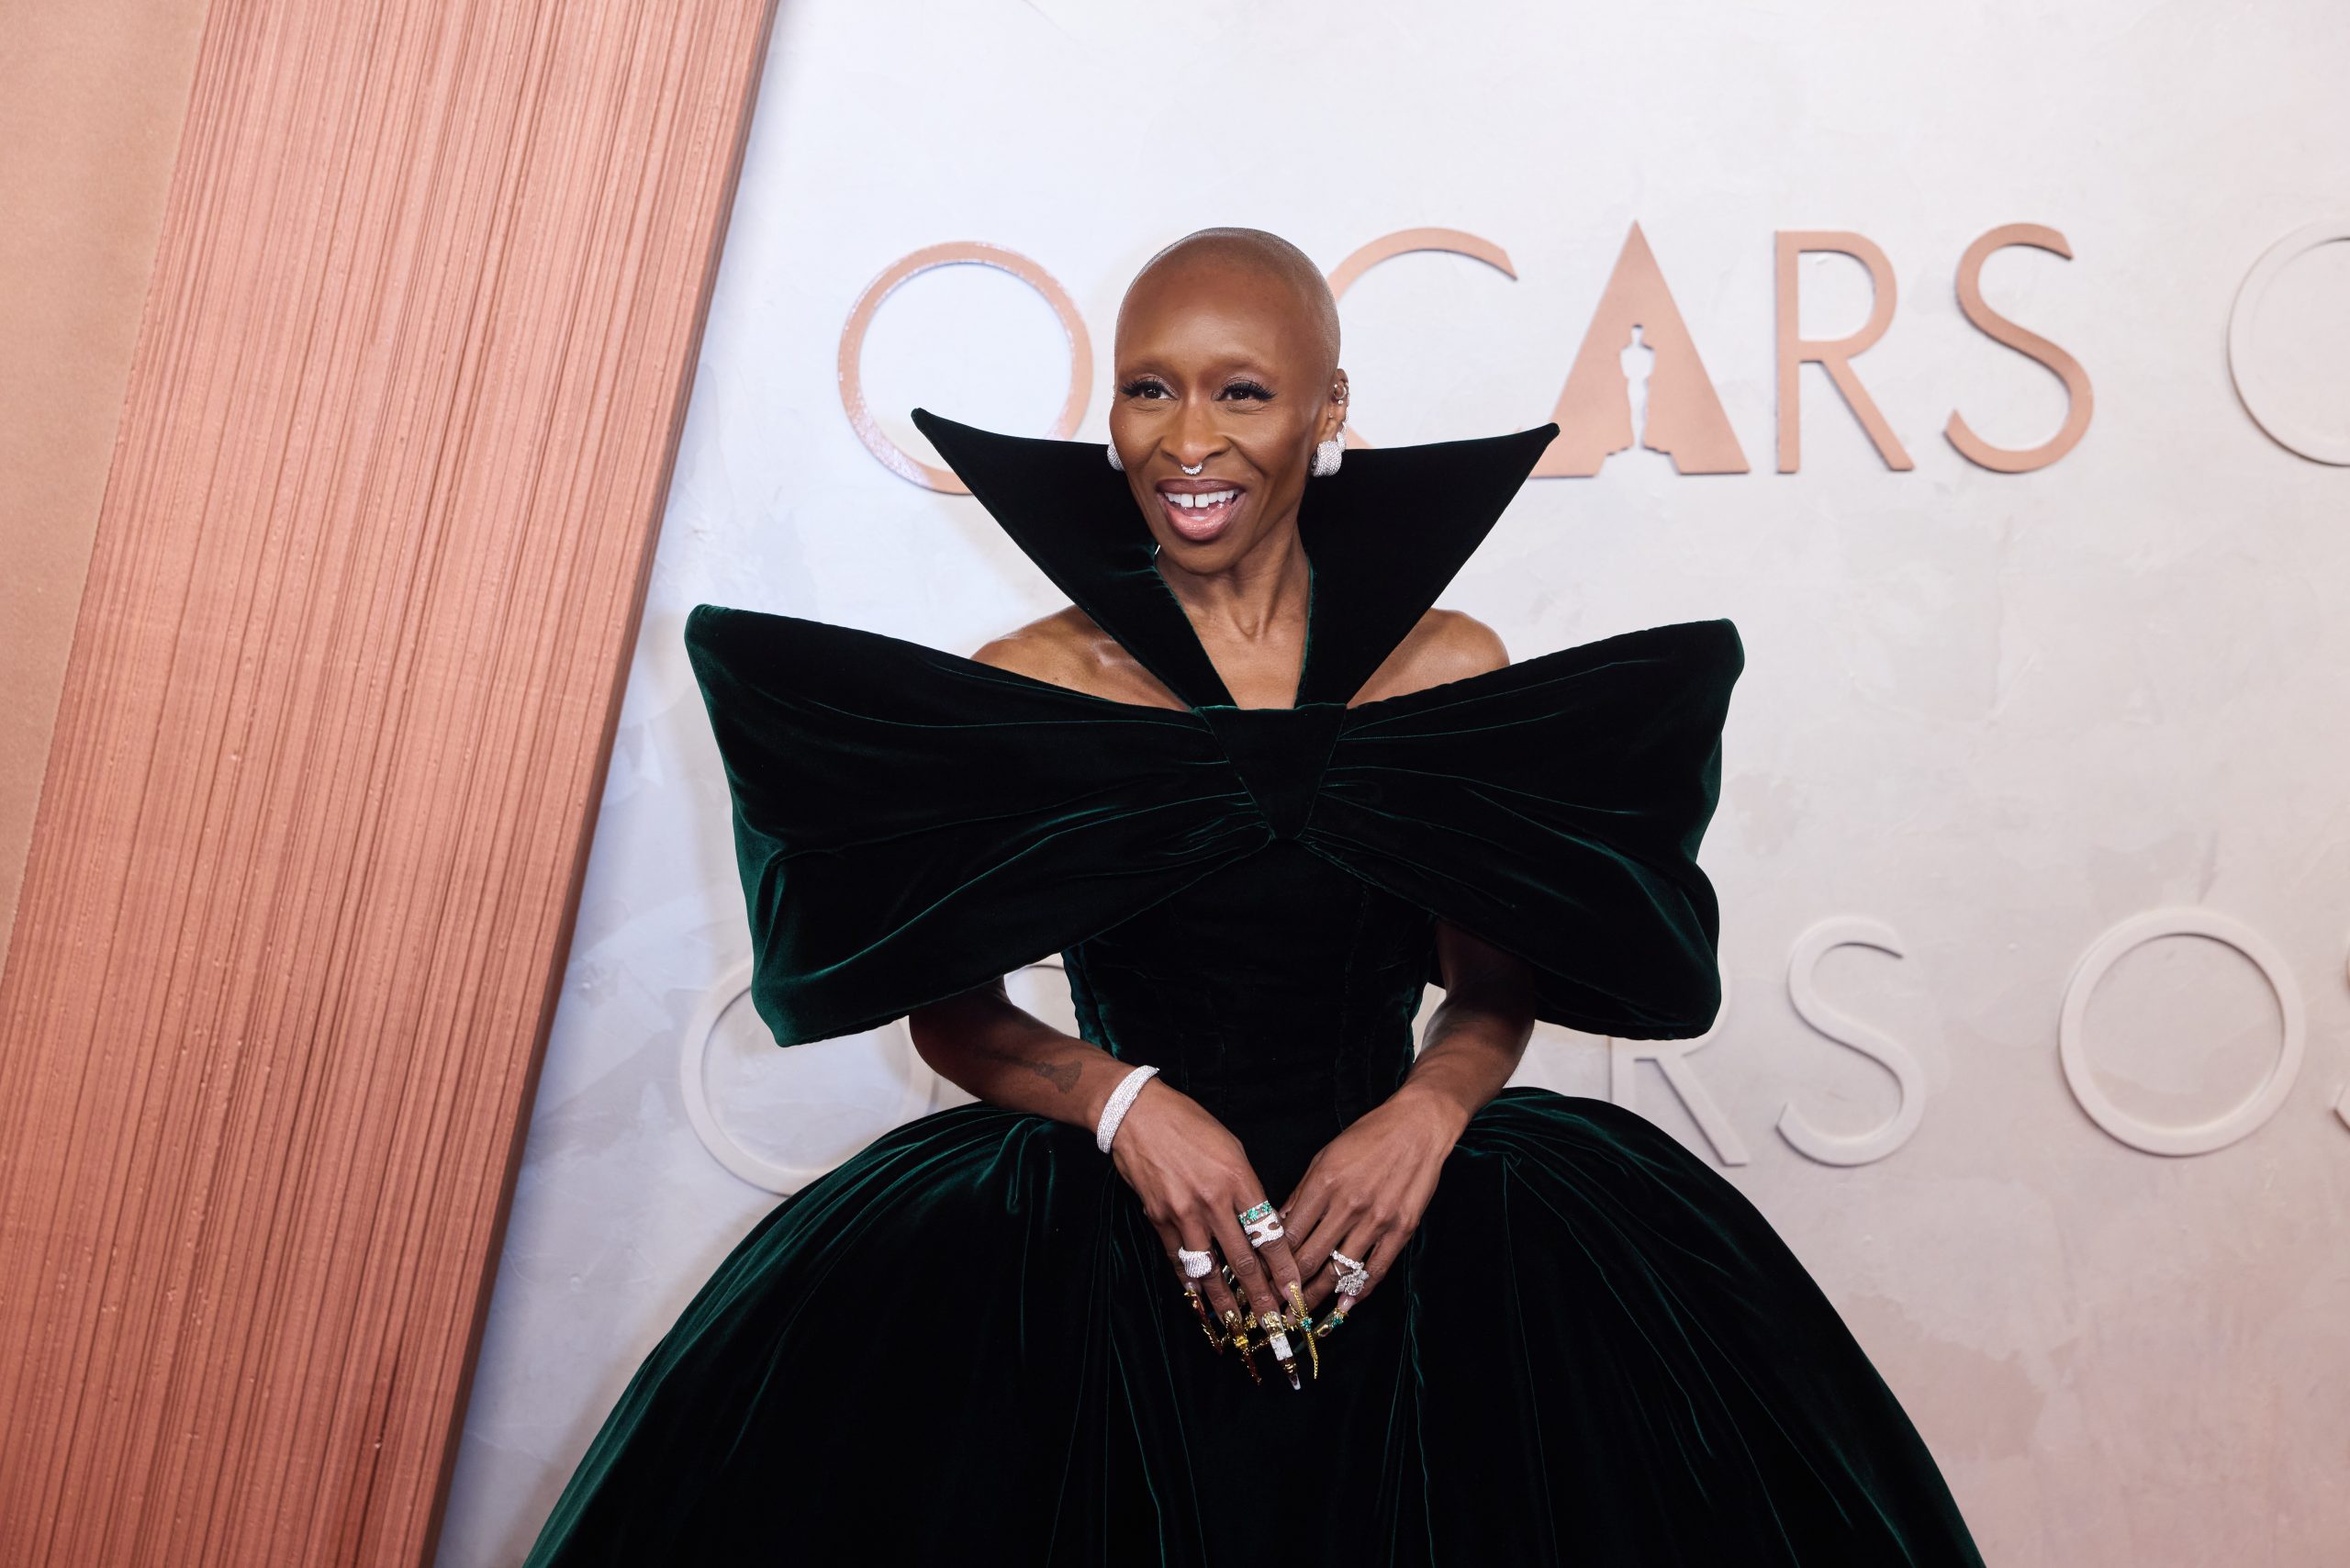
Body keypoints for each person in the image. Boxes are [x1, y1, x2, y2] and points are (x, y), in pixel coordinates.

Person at [521, 228, 1985, 1565]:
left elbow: (1489, 988)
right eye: (1150, 392)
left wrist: (1429, 1114)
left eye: (1243, 393)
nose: (1189, 441)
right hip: (1095, 1229)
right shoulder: (1034, 682)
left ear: (1328, 411)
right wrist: (1121, 1106)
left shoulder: (1445, 666)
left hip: (1407, 1215)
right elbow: (952, 1017)